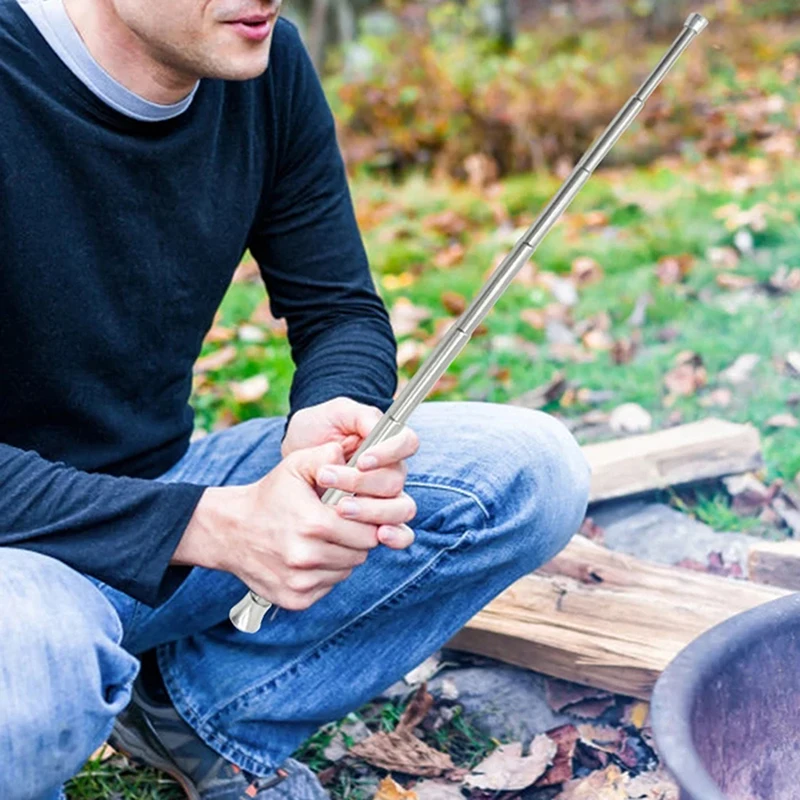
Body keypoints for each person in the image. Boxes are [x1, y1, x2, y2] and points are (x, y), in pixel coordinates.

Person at [0, 0, 591, 797]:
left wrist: (329, 421)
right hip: (26, 562)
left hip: (165, 496)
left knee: (528, 470)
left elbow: (339, 308)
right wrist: (212, 526)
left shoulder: (261, 58)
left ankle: (198, 711)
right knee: (26, 685)